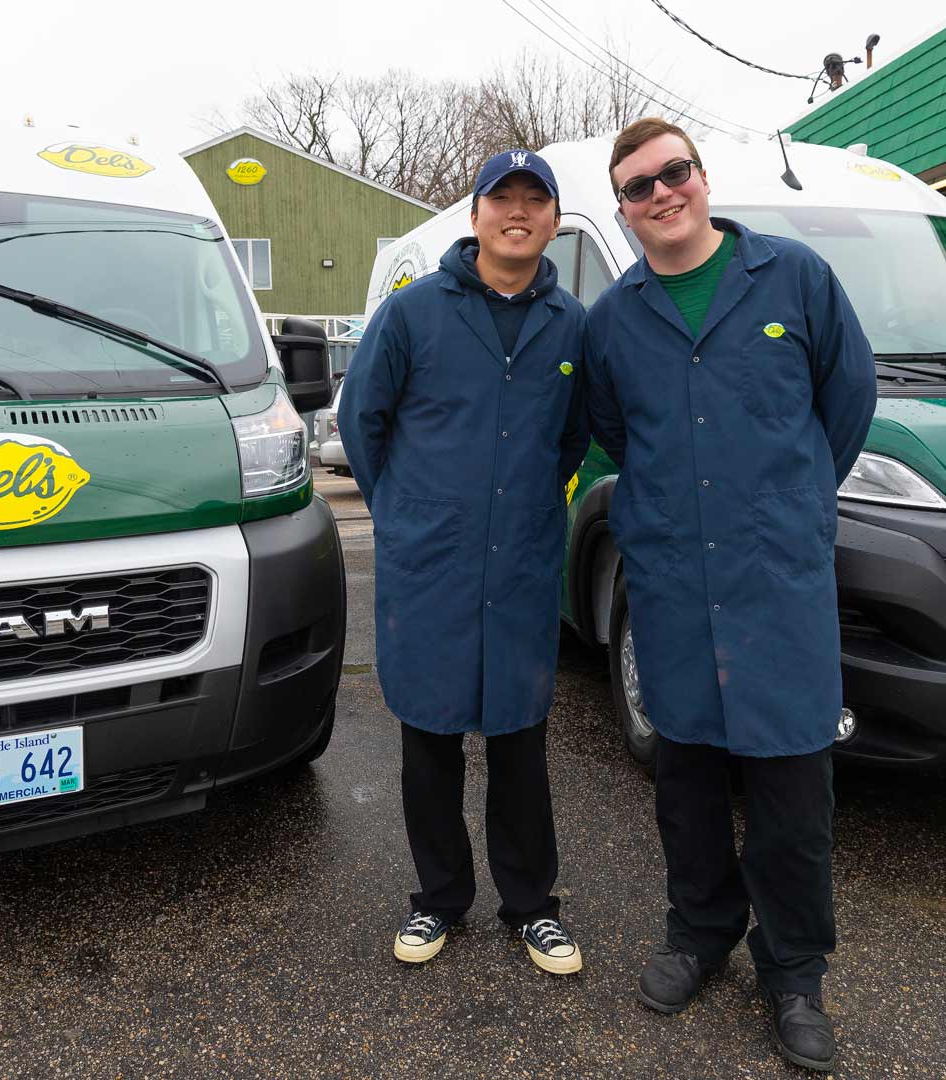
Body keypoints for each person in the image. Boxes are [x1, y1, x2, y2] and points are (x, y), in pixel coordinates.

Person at [584, 118, 876, 1072]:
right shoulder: (614, 320)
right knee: (688, 780)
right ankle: (699, 936)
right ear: (623, 211)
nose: (661, 193)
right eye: (638, 186)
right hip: (673, 582)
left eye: (675, 173)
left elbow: (849, 400)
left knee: (795, 791)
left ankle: (794, 974)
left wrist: (787, 501)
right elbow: (617, 434)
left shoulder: (792, 278)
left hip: (775, 582)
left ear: (703, 180)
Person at [338, 148, 590, 975]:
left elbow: (571, 439)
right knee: (431, 740)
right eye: (501, 198)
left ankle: (531, 907)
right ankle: (439, 899)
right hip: (431, 568)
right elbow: (361, 419)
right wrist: (406, 512)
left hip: (519, 566)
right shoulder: (413, 314)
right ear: (474, 215)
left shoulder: (571, 326)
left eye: (535, 200)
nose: (518, 212)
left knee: (520, 743)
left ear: (553, 219)